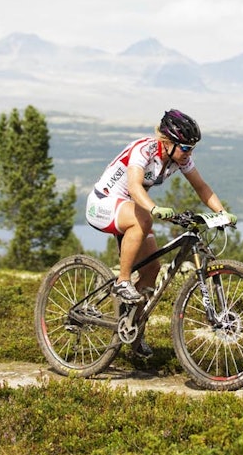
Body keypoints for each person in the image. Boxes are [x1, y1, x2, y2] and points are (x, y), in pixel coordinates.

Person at [85, 109, 235, 357]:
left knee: (152, 270)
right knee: (143, 218)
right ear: (168, 142)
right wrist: (154, 208)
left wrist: (222, 213)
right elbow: (134, 186)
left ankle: (133, 331)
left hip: (129, 208)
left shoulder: (180, 158)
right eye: (186, 148)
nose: (189, 153)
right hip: (103, 203)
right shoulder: (144, 150)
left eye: (192, 148)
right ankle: (122, 281)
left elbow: (201, 187)